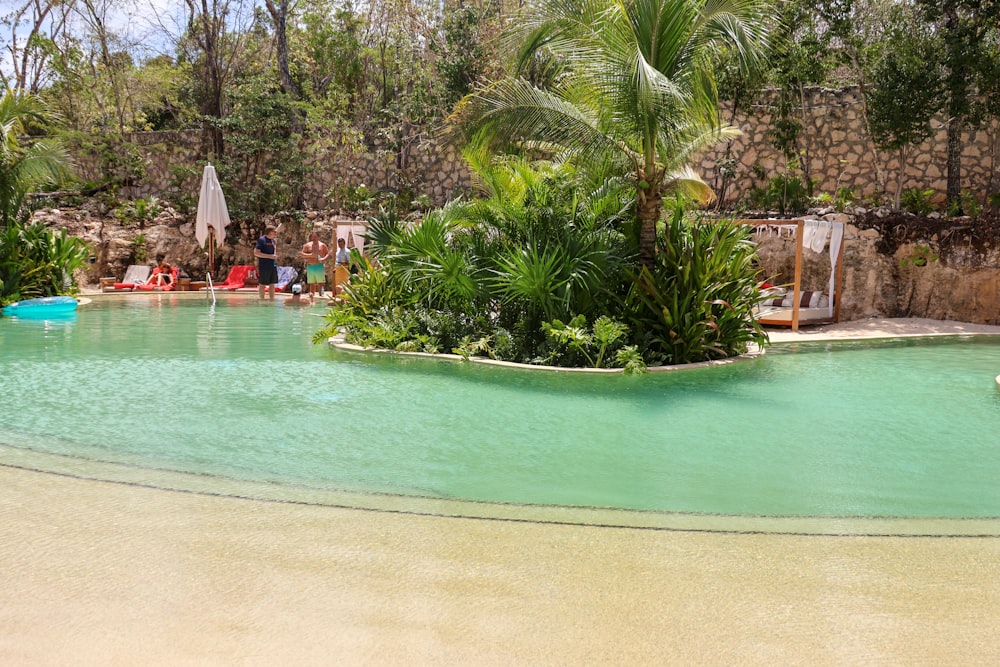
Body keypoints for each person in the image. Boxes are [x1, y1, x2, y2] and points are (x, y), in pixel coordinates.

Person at [300, 231, 330, 302]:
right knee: (312, 283)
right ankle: (312, 299)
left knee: (320, 283)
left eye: (315, 237)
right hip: (311, 266)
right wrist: (310, 255)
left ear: (318, 237)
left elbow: (328, 253)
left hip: (319, 266)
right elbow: (302, 254)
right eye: (312, 237)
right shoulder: (308, 245)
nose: (314, 238)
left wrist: (323, 259)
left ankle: (321, 297)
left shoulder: (322, 245)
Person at [254, 226, 279, 300]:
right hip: (264, 266)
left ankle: (272, 299)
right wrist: (270, 256)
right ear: (270, 232)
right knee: (262, 284)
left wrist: (274, 257)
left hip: (273, 265)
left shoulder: (273, 241)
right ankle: (262, 300)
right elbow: (256, 253)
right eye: (274, 231)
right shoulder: (262, 240)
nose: (275, 233)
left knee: (272, 284)